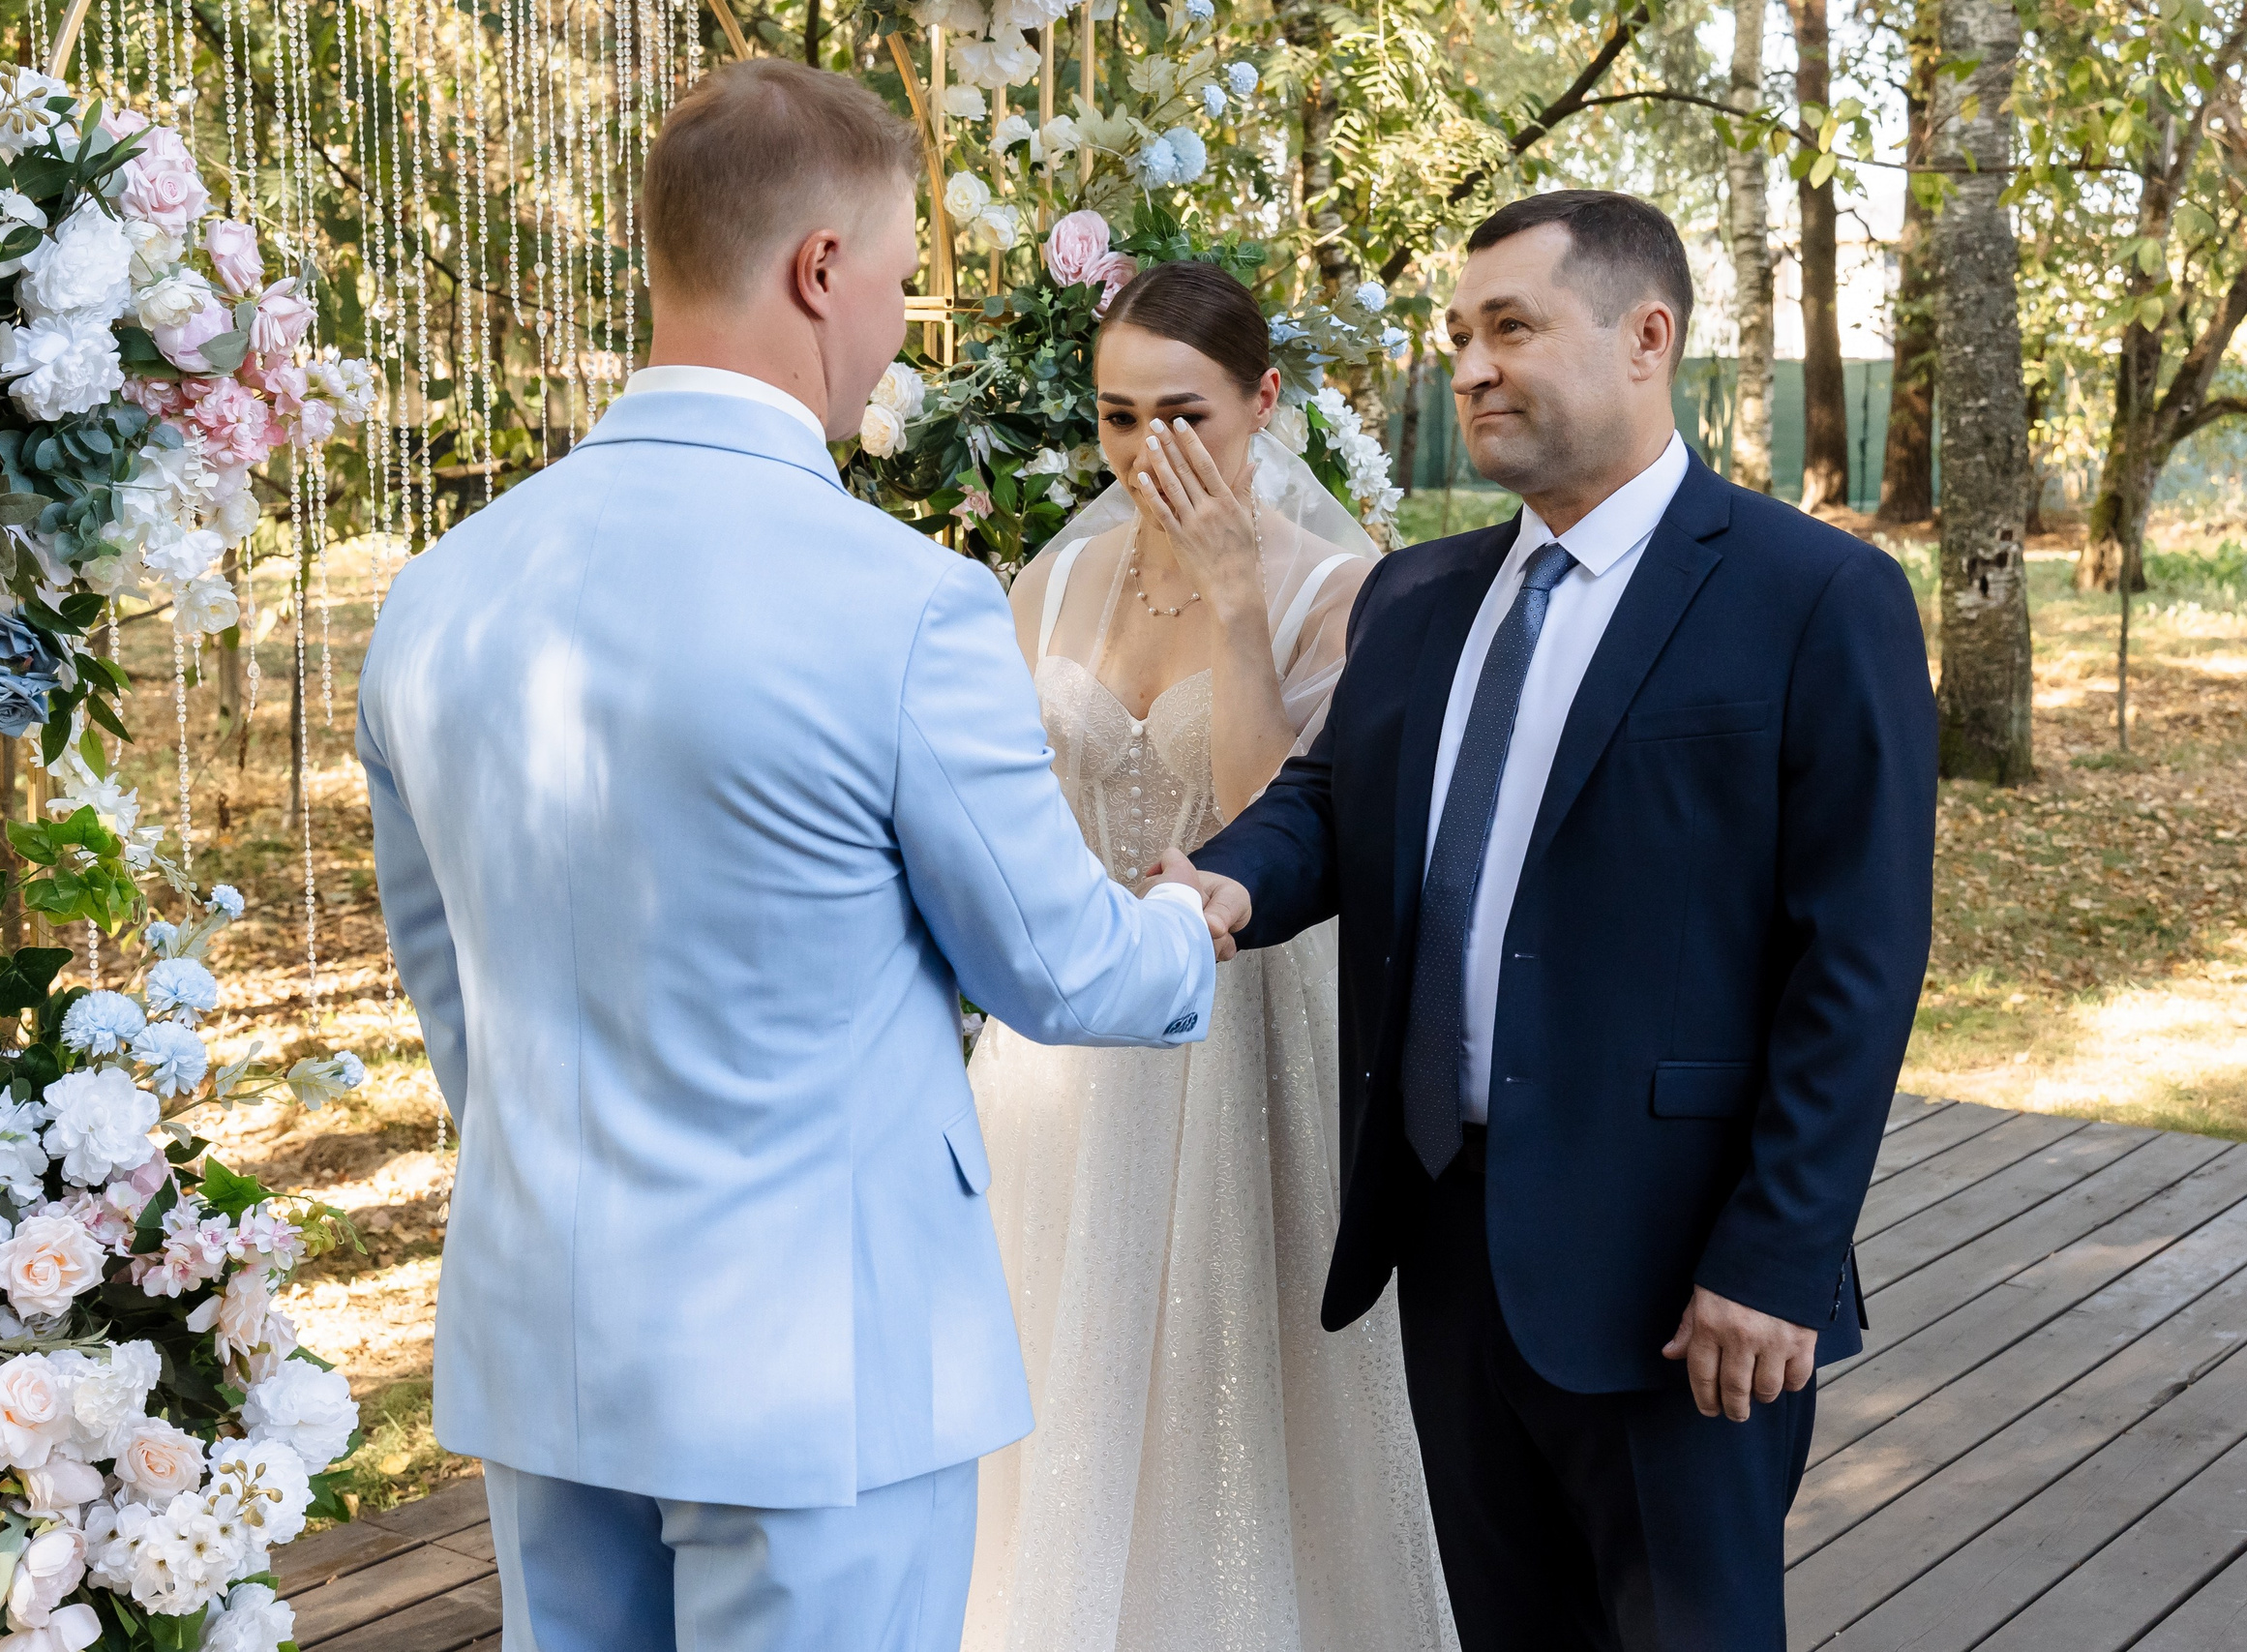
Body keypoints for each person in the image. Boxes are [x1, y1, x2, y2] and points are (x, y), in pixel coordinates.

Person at [358, 59, 1226, 1652]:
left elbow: (452, 999)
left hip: (548, 1333)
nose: (896, 331)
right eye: (896, 282)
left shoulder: (438, 595)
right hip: (821, 1369)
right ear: (820, 268)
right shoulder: (900, 603)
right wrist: (1188, 929)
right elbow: (1056, 968)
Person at [1190, 191, 1938, 1649]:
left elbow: (1858, 958)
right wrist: (1230, 880)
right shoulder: (1417, 595)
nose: (1471, 365)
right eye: (1459, 334)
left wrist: (1773, 1258)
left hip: (1683, 1276)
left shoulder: (1816, 596)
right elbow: (1334, 796)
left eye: (1512, 328)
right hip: (1446, 1242)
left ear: (1647, 337)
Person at [962, 260, 1453, 1652]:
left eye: (1184, 415)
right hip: (1062, 1050)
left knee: (1224, 1379)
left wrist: (1238, 601)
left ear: (1265, 401)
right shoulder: (1055, 579)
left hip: (1246, 1030)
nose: (1146, 452)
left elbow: (1266, 829)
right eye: (1118, 417)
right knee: (1056, 1367)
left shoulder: (1343, 593)